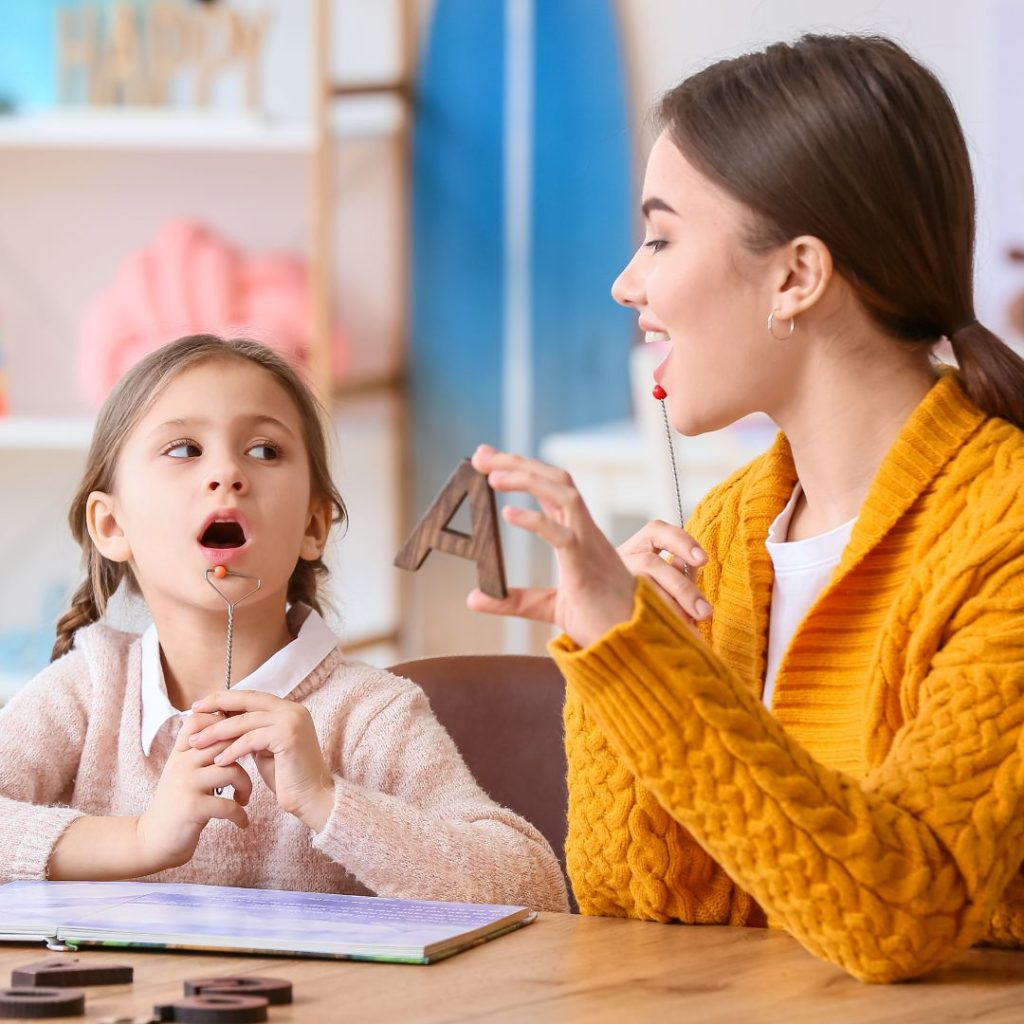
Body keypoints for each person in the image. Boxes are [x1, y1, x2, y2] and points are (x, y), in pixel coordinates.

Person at [469, 33, 1024, 981]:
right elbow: (638, 903)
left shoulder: (1003, 531)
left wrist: (648, 671)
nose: (626, 283)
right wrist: (619, 663)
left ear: (796, 276)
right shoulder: (723, 533)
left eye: (660, 237)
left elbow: (898, 913)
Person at [0, 335, 567, 912]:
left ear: (314, 525)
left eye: (265, 451)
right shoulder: (90, 690)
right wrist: (141, 839)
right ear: (111, 525)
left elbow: (534, 886)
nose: (226, 472)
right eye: (183, 449)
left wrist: (327, 801)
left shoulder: (371, 714)